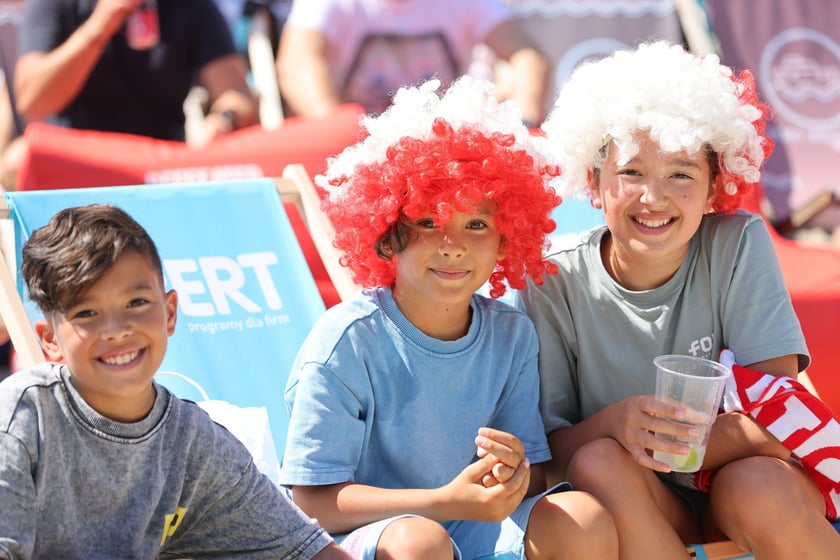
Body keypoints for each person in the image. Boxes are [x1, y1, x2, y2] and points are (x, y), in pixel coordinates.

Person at [516, 41, 840, 559]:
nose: (654, 196)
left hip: (735, 481)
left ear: (715, 189)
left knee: (762, 486)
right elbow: (548, 456)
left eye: (682, 174)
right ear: (594, 185)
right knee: (597, 460)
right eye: (631, 172)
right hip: (628, 494)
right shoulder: (550, 277)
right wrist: (617, 425)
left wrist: (673, 447)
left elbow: (780, 417)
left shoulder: (738, 242)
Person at [278, 75, 618, 560]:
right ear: (386, 233)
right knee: (421, 541)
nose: (452, 244)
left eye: (476, 224)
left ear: (505, 239)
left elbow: (534, 474)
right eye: (427, 221)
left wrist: (514, 471)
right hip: (372, 543)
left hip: (480, 536)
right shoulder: (346, 342)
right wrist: (442, 503)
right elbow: (310, 501)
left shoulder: (511, 333)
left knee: (581, 517)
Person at [0, 203, 352, 559]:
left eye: (136, 302)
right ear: (49, 340)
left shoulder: (194, 442)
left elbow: (302, 550)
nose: (117, 330)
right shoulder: (22, 419)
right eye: (86, 313)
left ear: (169, 312)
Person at [0, 0, 259, 189]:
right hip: (75, 152)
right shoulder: (56, 5)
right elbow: (32, 101)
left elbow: (237, 95)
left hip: (159, 156)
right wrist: (100, 26)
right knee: (17, 161)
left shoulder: (190, 8)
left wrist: (223, 120)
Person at [276, 0, 550, 126]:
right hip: (356, 145)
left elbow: (527, 56)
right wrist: (343, 133)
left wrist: (523, 121)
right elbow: (296, 65)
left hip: (444, 143)